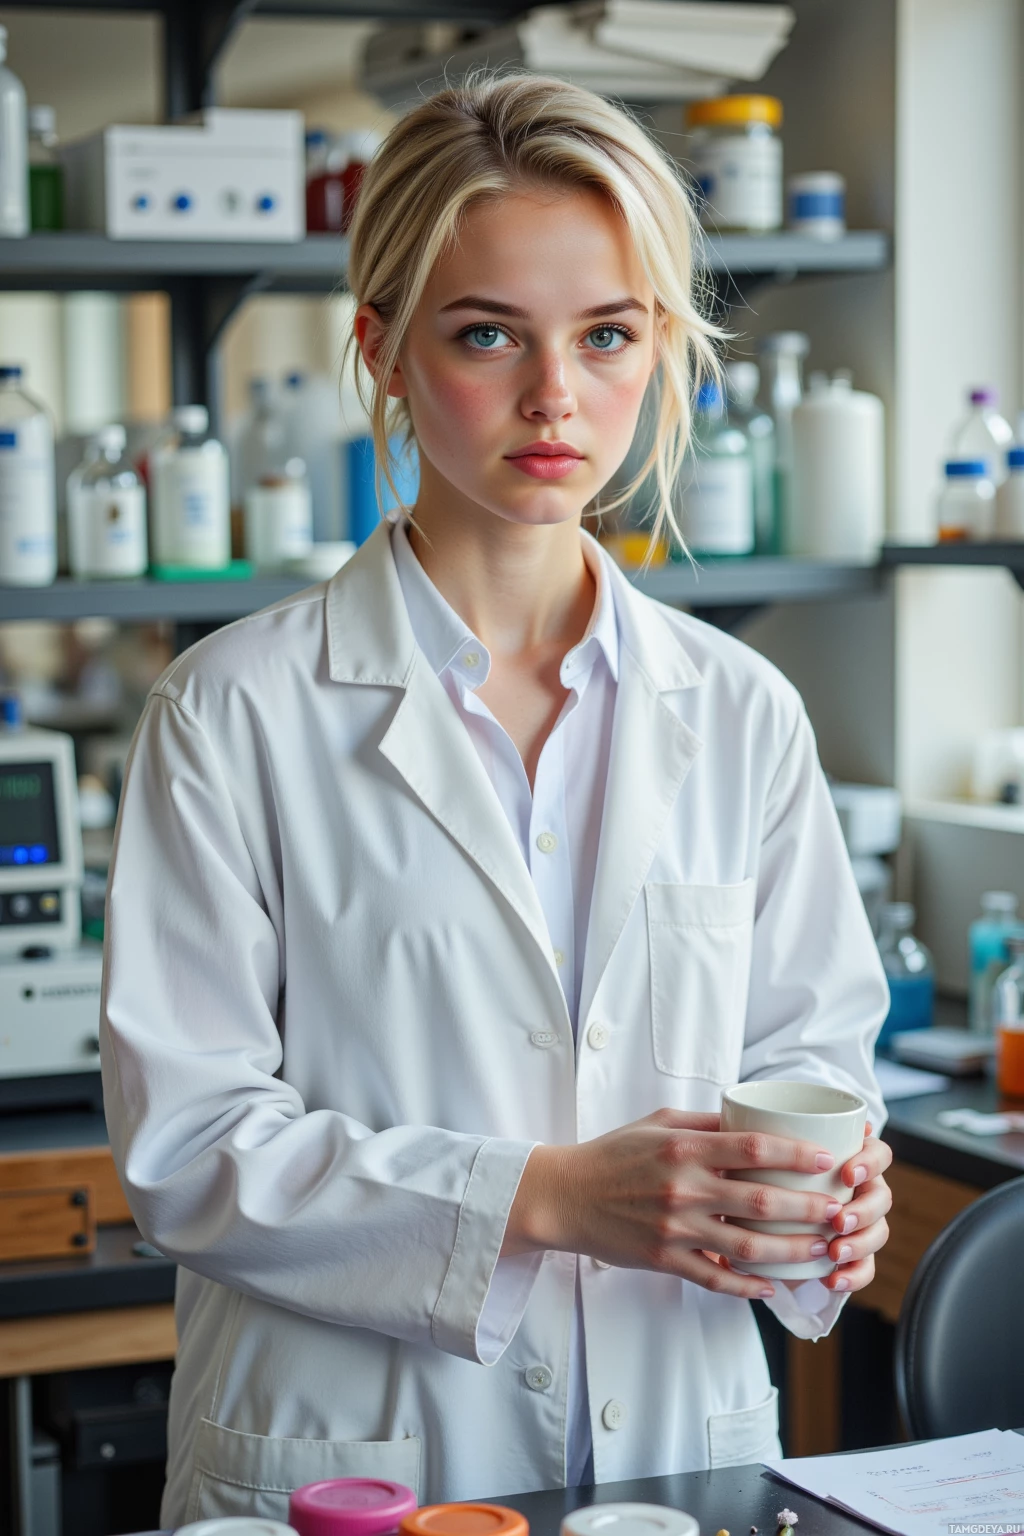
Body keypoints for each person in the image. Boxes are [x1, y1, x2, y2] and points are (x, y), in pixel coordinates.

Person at [101, 73, 892, 1524]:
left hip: (670, 1451)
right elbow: (190, 1149)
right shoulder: (232, 711)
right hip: (354, 1467)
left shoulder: (738, 712)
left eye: (607, 335)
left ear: (660, 349)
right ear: (384, 352)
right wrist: (550, 1196)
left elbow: (815, 1066)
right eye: (487, 335)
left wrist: (820, 1213)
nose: (555, 396)